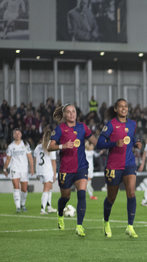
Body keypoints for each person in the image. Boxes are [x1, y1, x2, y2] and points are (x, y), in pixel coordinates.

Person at [48, 104, 98, 236]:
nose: (71, 114)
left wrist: (112, 142)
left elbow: (96, 142)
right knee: (66, 197)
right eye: (69, 112)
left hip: (81, 167)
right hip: (65, 169)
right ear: (64, 115)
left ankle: (79, 226)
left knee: (82, 194)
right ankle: (60, 215)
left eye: (73, 111)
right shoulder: (59, 129)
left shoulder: (82, 127)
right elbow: (50, 146)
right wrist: (63, 145)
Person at [96, 98, 141, 238]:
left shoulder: (132, 124)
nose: (124, 109)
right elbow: (99, 143)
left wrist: (136, 143)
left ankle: (130, 226)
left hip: (129, 163)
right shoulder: (110, 125)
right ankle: (106, 221)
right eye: (121, 107)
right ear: (115, 109)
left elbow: (132, 139)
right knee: (111, 197)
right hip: (114, 165)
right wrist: (114, 143)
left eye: (126, 106)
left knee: (131, 193)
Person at [3, 128, 34, 212]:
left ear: (21, 134)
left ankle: (23, 204)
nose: (17, 135)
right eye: (15, 134)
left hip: (24, 169)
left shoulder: (25, 145)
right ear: (13, 135)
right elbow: (8, 159)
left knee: (24, 189)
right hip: (14, 169)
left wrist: (32, 168)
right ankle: (18, 207)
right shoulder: (11, 146)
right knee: (16, 187)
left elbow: (30, 157)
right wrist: (5, 168)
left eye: (18, 133)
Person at [33, 130, 57, 214]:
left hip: (40, 170)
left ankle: (49, 207)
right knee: (46, 189)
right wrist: (54, 174)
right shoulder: (51, 147)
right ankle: (42, 209)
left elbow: (35, 160)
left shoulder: (38, 147)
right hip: (47, 170)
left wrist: (36, 171)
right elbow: (53, 163)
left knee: (49, 187)